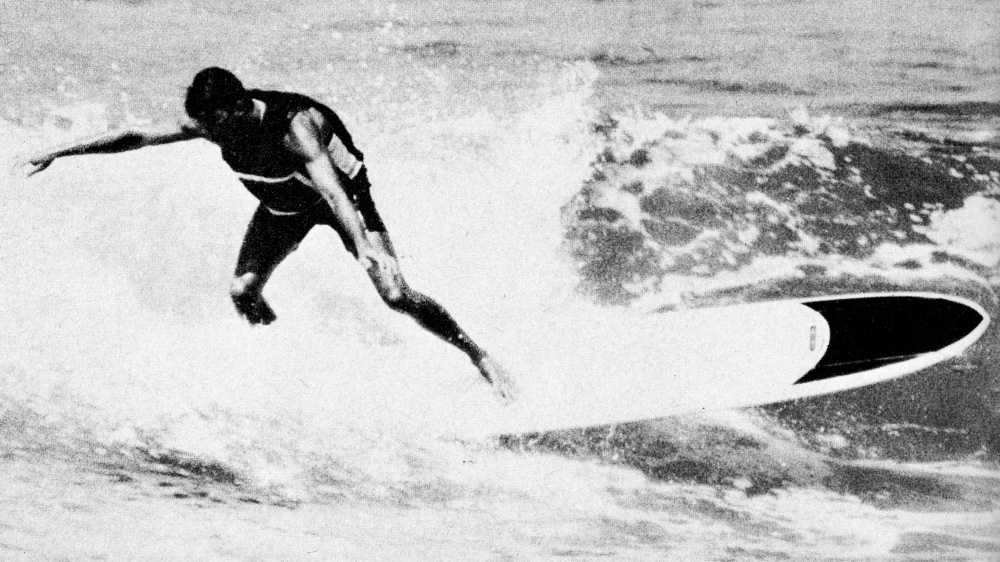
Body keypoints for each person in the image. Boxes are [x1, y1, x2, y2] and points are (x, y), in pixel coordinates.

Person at [23, 67, 514, 400]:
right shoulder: (212, 120)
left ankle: (480, 356)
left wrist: (364, 245)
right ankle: (289, 366)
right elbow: (136, 137)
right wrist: (62, 151)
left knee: (395, 294)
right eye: (206, 128)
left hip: (341, 202)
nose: (212, 136)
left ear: (240, 107)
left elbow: (333, 191)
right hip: (282, 206)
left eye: (218, 128)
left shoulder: (293, 126)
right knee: (243, 292)